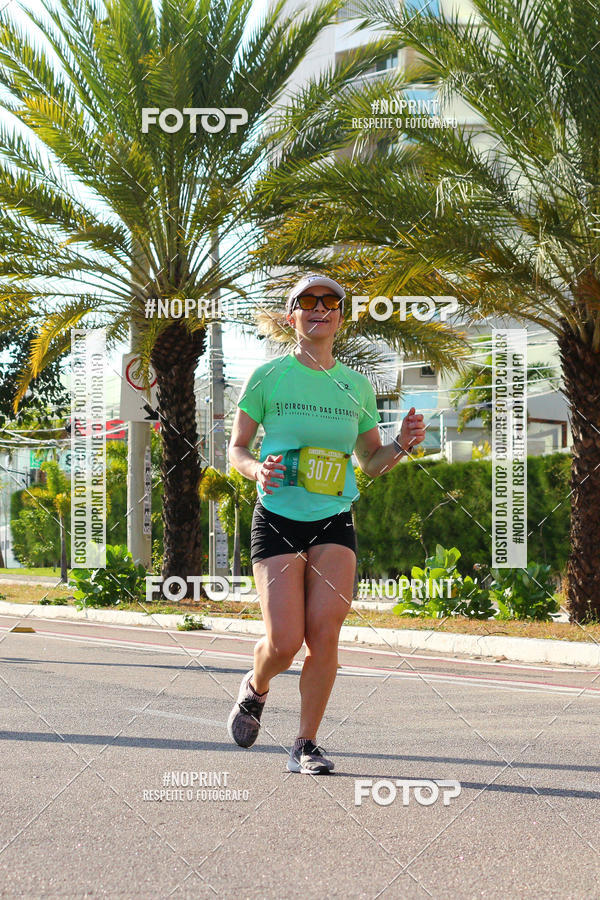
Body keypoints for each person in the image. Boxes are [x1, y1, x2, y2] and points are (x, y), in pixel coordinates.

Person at [227, 274, 426, 774]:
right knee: (284, 642)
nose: (321, 308)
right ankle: (256, 686)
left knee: (326, 635)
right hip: (276, 518)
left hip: (334, 519)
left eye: (331, 302)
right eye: (308, 301)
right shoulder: (267, 378)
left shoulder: (355, 385)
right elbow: (236, 449)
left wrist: (401, 443)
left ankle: (305, 743)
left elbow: (370, 461)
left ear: (340, 316)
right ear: (290, 315)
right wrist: (257, 469)